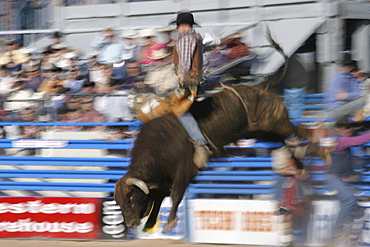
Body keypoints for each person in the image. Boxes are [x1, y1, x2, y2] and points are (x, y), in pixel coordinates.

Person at [324, 115, 370, 244]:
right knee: (350, 199)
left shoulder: (340, 139)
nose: (351, 129)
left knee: (359, 214)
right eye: (348, 127)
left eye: (351, 127)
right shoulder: (339, 141)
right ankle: (335, 233)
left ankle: (352, 242)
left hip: (340, 179)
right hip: (333, 178)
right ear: (340, 129)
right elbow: (361, 139)